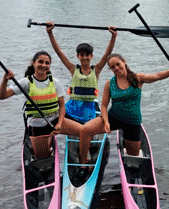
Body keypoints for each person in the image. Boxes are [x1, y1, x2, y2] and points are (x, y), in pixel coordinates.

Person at [80, 53, 169, 156]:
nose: (116, 68)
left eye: (118, 64)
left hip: (132, 122)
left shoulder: (138, 78)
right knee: (85, 130)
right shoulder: (109, 84)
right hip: (114, 118)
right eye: (113, 67)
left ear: (124, 61)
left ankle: (125, 143)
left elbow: (157, 76)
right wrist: (106, 122)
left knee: (133, 156)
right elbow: (104, 106)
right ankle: (83, 164)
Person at [46, 22, 117, 164]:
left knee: (85, 133)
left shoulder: (96, 70)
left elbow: (107, 54)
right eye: (82, 55)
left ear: (91, 56)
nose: (85, 58)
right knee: (51, 126)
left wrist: (113, 37)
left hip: (88, 110)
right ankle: (48, 152)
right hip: (72, 108)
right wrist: (50, 33)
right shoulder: (73, 69)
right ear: (78, 56)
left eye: (87, 55)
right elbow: (59, 52)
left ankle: (84, 155)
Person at [0, 51, 84, 158]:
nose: (44, 65)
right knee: (43, 158)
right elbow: (2, 96)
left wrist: (60, 124)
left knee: (84, 132)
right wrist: (4, 80)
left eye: (47, 63)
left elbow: (62, 106)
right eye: (40, 62)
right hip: (37, 125)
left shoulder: (55, 82)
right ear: (34, 63)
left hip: (54, 120)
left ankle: (83, 157)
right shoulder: (26, 82)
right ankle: (46, 144)